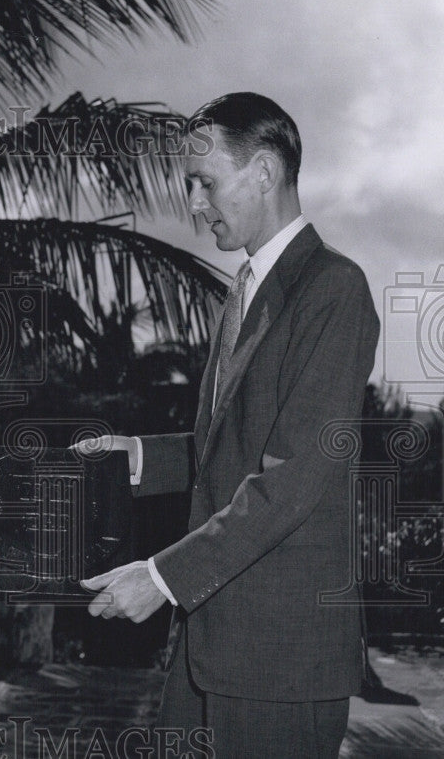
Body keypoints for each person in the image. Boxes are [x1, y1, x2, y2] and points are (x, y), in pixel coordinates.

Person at [78, 93, 380, 757]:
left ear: (265, 173)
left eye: (205, 182)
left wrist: (159, 579)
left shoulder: (334, 290)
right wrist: (137, 454)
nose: (194, 203)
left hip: (280, 664)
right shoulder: (241, 294)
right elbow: (229, 449)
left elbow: (292, 480)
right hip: (210, 644)